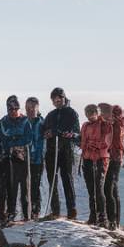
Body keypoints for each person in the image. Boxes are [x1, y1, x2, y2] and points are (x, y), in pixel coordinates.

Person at [43, 87, 81, 220]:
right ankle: (55, 210)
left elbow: (76, 133)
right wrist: (46, 133)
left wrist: (63, 133)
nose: (57, 102)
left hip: (66, 150)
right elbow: (44, 129)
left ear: (64, 98)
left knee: (67, 178)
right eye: (55, 100)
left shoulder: (72, 113)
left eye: (59, 99)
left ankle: (72, 210)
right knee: (52, 179)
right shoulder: (50, 115)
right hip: (52, 151)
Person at [0, 95, 32, 222]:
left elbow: (28, 138)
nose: (13, 111)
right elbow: (2, 138)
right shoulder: (3, 122)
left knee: (25, 187)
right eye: (10, 109)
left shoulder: (25, 121)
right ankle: (11, 213)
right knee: (11, 187)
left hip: (23, 159)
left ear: (18, 108)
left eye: (15, 108)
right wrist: (15, 140)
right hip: (9, 159)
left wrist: (13, 140)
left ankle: (26, 214)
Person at [80, 103, 113, 226]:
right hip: (88, 157)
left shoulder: (105, 125)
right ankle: (93, 216)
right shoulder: (85, 125)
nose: (90, 116)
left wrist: (92, 145)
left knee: (98, 188)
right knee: (90, 189)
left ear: (97, 113)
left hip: (100, 158)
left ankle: (102, 217)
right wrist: (86, 146)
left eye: (92, 113)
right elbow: (82, 141)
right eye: (88, 114)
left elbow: (106, 142)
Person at [103, 103, 124, 229]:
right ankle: (115, 220)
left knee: (108, 188)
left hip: (113, 159)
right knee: (113, 188)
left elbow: (113, 142)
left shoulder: (117, 126)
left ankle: (112, 220)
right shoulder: (120, 124)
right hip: (115, 159)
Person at [24, 97, 46, 220]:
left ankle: (35, 211)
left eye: (33, 108)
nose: (30, 110)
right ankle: (26, 211)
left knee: (35, 185)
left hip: (37, 159)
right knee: (25, 186)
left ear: (37, 108)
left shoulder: (42, 122)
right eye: (28, 108)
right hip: (24, 159)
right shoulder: (22, 121)